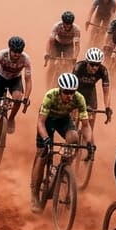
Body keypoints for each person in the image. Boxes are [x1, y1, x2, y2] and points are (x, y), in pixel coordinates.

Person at [30, 72, 89, 211]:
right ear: (60, 90)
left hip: (63, 120)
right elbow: (40, 122)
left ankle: (64, 167)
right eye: (66, 92)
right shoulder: (50, 96)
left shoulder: (79, 98)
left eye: (72, 92)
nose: (69, 96)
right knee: (42, 153)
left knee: (74, 138)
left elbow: (86, 126)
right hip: (47, 121)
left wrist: (90, 143)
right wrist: (46, 139)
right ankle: (34, 194)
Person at [0, 35, 33, 152]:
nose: (16, 54)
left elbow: (28, 80)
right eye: (14, 51)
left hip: (15, 80)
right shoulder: (1, 55)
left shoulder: (26, 59)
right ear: (10, 49)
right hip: (0, 79)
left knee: (18, 98)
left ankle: (11, 119)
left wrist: (26, 97)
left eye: (19, 51)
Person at [72, 47, 113, 153]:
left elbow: (106, 92)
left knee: (90, 120)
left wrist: (107, 107)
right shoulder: (78, 67)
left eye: (97, 64)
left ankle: (88, 143)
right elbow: (71, 88)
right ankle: (70, 142)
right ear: (87, 62)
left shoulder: (103, 71)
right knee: (73, 116)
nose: (95, 67)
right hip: (76, 91)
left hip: (90, 93)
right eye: (92, 64)